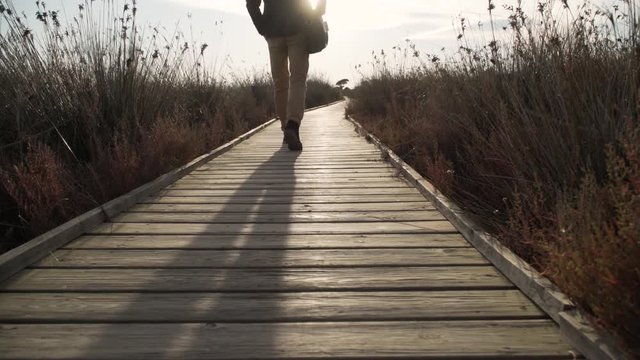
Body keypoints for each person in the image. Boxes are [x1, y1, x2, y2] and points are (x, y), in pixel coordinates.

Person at [246, 0, 327, 151]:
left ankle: (286, 129)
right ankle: (293, 125)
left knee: (280, 84)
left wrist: (262, 27)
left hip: (273, 32)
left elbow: (251, 3)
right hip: (298, 28)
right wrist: (315, 13)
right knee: (298, 80)